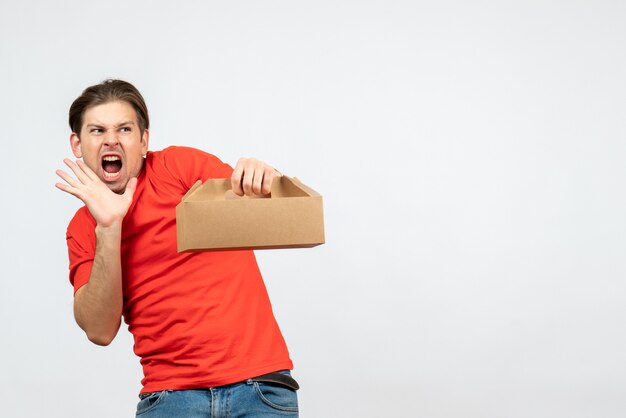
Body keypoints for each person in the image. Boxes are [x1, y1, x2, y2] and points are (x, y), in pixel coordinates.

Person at [55, 79, 299, 417]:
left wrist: (264, 181)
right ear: (77, 143)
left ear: (143, 141)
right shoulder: (82, 228)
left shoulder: (180, 168)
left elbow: (260, 210)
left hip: (258, 388)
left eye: (124, 129)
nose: (111, 139)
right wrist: (108, 227)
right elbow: (98, 330)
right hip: (171, 399)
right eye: (97, 130)